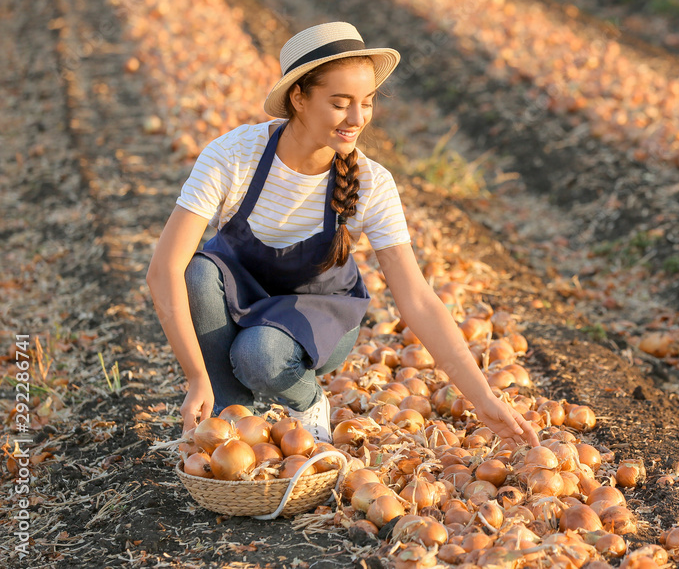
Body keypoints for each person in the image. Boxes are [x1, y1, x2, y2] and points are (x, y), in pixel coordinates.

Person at [145, 22, 539, 447]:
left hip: (317, 311)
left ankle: (309, 400)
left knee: (258, 354)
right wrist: (196, 377)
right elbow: (163, 269)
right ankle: (231, 413)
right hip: (239, 296)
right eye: (340, 103)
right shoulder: (233, 155)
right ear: (298, 98)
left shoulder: (372, 182)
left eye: (366, 103)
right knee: (198, 273)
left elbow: (418, 299)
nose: (357, 119)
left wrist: (482, 398)